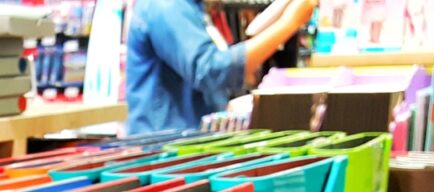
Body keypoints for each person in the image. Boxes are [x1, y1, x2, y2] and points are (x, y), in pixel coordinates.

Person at [126, 0, 319, 132]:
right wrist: (289, 23)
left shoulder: (191, 8)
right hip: (165, 152)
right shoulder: (167, 7)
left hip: (184, 145)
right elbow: (209, 70)